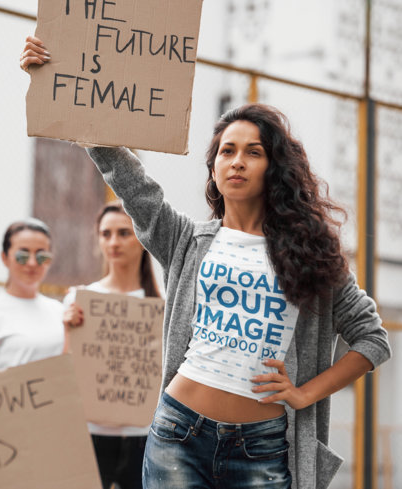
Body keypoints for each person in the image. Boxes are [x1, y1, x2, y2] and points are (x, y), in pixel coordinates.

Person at [21, 39, 391, 489]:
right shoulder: (185, 239)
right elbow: (133, 183)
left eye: (253, 152)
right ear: (213, 168)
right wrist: (59, 79)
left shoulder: (310, 254)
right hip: (178, 432)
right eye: (226, 151)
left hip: (264, 446)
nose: (237, 162)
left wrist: (303, 393)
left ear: (275, 167)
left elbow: (372, 338)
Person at [63, 200, 161, 489]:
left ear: (142, 238)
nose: (113, 242)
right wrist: (67, 330)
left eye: (123, 233)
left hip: (146, 436)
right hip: (91, 434)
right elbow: (66, 372)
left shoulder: (163, 304)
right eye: (106, 234)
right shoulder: (80, 299)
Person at [0, 218, 65, 371]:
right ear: (5, 258)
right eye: (23, 256)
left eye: (42, 256)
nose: (32, 263)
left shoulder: (61, 312)